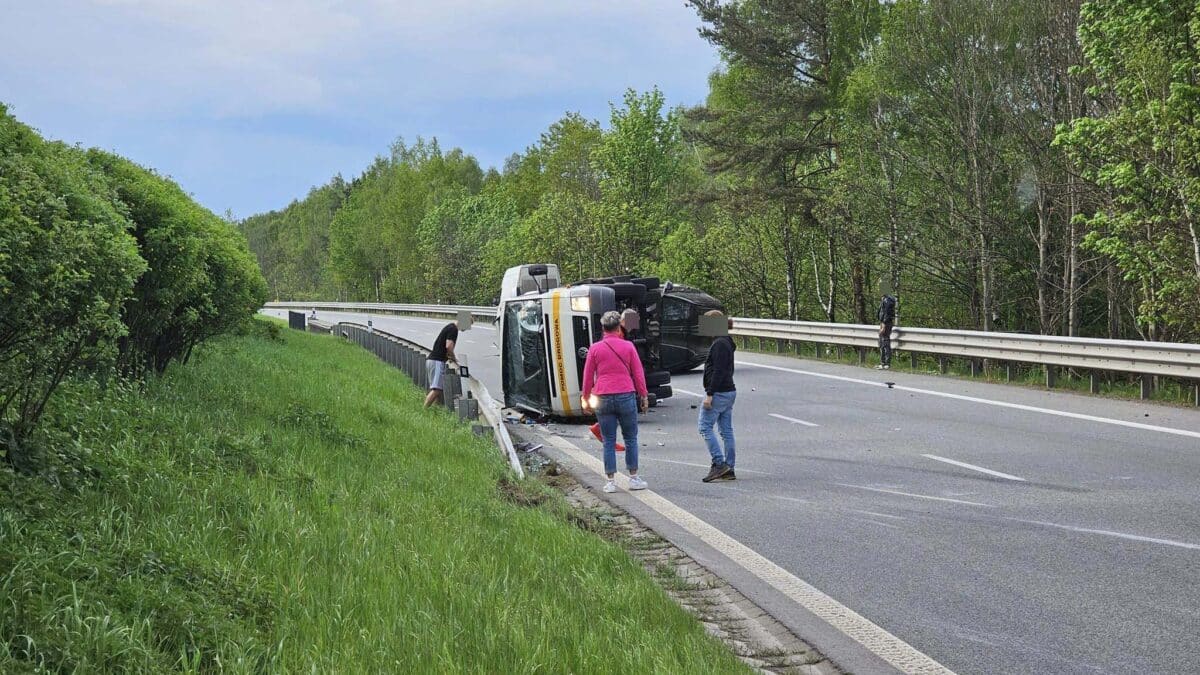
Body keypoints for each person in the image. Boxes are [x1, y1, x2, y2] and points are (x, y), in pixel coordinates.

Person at [581, 310, 649, 493]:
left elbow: (587, 377)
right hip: (626, 394)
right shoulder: (628, 347)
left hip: (603, 396)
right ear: (619, 327)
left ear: (603, 328)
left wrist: (585, 399)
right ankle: (633, 478)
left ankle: (610, 481)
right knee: (630, 437)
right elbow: (638, 373)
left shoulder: (595, 348)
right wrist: (643, 395)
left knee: (609, 440)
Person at [699, 310, 737, 482]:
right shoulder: (726, 341)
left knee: (704, 427)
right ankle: (729, 468)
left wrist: (710, 394)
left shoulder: (720, 343)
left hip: (720, 392)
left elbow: (719, 371)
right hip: (728, 391)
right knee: (726, 431)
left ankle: (719, 463)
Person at [424, 321, 459, 408]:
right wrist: (454, 357)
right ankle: (423, 410)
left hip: (432, 360)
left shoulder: (449, 326)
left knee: (436, 388)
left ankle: (435, 410)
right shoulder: (454, 329)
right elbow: (449, 346)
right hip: (437, 361)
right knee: (437, 390)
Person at [876, 293, 897, 370]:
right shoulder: (885, 299)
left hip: (886, 323)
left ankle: (886, 363)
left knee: (885, 342)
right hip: (884, 322)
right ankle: (883, 362)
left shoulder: (887, 300)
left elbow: (887, 313)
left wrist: (884, 324)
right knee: (882, 342)